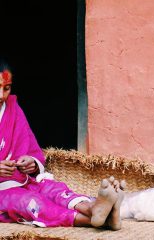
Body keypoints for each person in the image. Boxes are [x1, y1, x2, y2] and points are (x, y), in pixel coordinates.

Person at [0, 58, 125, 230]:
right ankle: (98, 219)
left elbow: (33, 151)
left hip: (25, 181)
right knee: (31, 203)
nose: (2, 95)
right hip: (3, 192)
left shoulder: (13, 109)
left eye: (6, 88)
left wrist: (32, 163)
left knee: (54, 189)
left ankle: (92, 208)